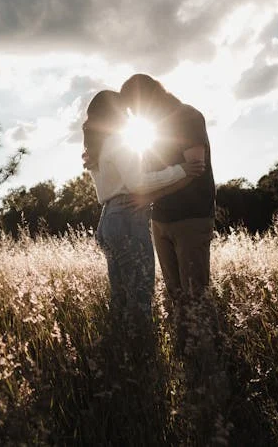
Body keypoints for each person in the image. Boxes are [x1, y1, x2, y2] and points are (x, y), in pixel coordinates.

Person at [119, 74, 228, 443]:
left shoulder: (188, 117)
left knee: (195, 294)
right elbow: (143, 174)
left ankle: (209, 373)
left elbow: (195, 168)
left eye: (135, 106)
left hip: (192, 217)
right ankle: (186, 364)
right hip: (159, 218)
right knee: (173, 294)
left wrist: (156, 187)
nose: (134, 114)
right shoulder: (150, 128)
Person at [82, 89, 204, 335]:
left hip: (108, 219)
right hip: (127, 217)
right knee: (140, 294)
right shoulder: (117, 141)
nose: (128, 115)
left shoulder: (98, 147)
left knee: (120, 296)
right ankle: (142, 354)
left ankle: (121, 349)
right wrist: (182, 169)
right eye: (123, 110)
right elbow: (138, 182)